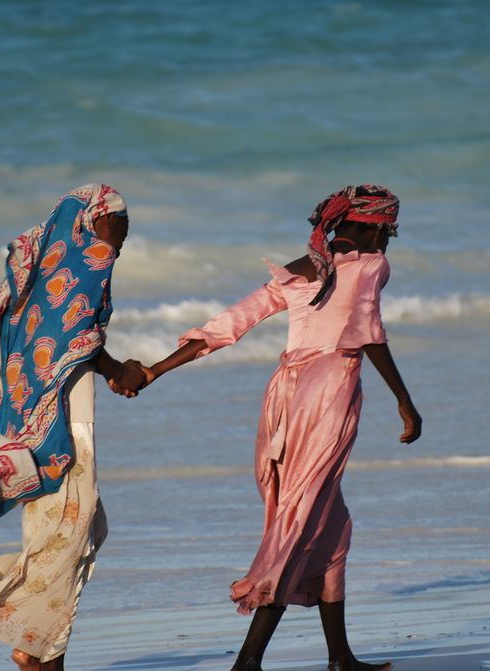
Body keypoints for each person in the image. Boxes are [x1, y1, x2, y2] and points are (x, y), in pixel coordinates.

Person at [141, 185, 422, 671]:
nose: (387, 243)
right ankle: (248, 658)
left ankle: (340, 658)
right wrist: (405, 401)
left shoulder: (302, 267)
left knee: (331, 525)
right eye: (387, 233)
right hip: (329, 391)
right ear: (372, 226)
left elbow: (229, 324)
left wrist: (155, 370)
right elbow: (367, 331)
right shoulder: (372, 265)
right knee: (300, 520)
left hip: (283, 397)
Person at [0, 184, 145, 671]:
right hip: (62, 428)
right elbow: (77, 337)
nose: (125, 233)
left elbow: (69, 336)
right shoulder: (89, 263)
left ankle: (42, 643)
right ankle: (31, 641)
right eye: (120, 222)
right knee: (70, 528)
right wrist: (120, 372)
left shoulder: (42, 270)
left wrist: (112, 369)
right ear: (96, 221)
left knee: (76, 531)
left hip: (29, 427)